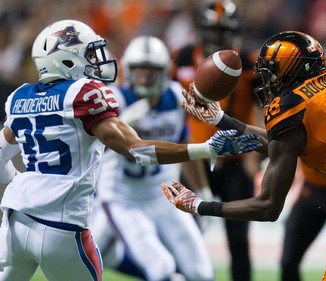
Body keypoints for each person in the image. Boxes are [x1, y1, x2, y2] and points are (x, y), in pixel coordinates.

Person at [0, 19, 262, 281]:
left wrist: (24, 183)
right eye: (88, 54)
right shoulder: (84, 94)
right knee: (158, 270)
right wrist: (205, 148)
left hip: (17, 222)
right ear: (66, 61)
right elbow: (137, 151)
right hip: (68, 222)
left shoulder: (20, 96)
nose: (96, 61)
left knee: (195, 272)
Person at [161, 30, 326, 280]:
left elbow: (268, 207)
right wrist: (223, 120)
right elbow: (286, 143)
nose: (269, 80)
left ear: (293, 71)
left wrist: (199, 205)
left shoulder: (291, 109)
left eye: (272, 71)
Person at [90, 35, 214, 281]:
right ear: (128, 72)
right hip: (122, 198)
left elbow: (184, 148)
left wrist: (202, 190)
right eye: (139, 71)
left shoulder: (175, 96)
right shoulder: (114, 100)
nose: (145, 78)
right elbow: (90, 147)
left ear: (165, 72)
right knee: (161, 268)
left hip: (163, 195)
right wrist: (118, 126)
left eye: (152, 71)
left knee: (201, 272)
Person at [170, 1, 263, 280]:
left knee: (238, 240)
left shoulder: (249, 64)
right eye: (215, 30)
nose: (220, 36)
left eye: (225, 30)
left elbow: (266, 111)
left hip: (235, 161)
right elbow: (169, 108)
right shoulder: (183, 58)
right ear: (202, 30)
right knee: (184, 236)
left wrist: (256, 156)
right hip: (195, 159)